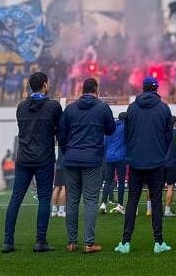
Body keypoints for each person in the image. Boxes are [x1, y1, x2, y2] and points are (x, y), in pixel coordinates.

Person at [2, 71, 62, 253]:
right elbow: (60, 131)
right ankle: (40, 241)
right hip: (43, 158)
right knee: (44, 199)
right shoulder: (53, 107)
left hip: (24, 158)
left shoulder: (21, 107)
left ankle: (7, 241)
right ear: (45, 84)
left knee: (15, 199)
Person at [115, 77, 173, 255]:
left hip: (136, 161)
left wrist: (133, 151)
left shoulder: (132, 107)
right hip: (156, 161)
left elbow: (127, 134)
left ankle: (125, 242)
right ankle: (159, 242)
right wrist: (160, 151)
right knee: (156, 202)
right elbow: (168, 135)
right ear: (156, 89)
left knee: (132, 200)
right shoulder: (163, 108)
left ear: (143, 88)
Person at [58, 77, 115, 254]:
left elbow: (61, 135)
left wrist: (68, 152)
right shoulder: (102, 107)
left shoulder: (70, 108)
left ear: (82, 90)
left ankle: (71, 242)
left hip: (72, 159)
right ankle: (89, 243)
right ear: (96, 90)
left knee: (72, 202)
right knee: (91, 201)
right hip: (92, 159)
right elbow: (111, 129)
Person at [101, 112, 127, 214]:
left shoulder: (110, 127)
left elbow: (105, 142)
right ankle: (120, 204)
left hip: (109, 157)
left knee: (108, 180)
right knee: (121, 181)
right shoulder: (125, 127)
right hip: (121, 157)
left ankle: (103, 203)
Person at [164, 116, 176, 217]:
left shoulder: (162, 134)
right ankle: (167, 210)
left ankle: (152, 209)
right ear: (175, 123)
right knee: (170, 186)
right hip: (172, 162)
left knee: (155, 187)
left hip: (160, 162)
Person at [51, 149, 66, 218]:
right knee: (64, 187)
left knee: (57, 187)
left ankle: (54, 211)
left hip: (59, 164)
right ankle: (61, 211)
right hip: (65, 164)